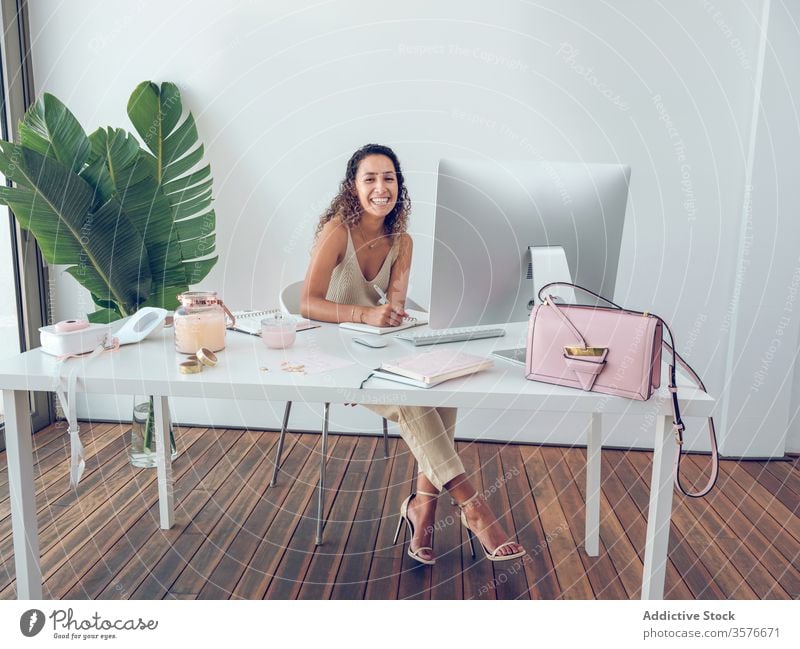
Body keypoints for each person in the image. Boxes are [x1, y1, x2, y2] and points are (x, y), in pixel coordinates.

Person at [300, 143, 525, 565]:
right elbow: (308, 304)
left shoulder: (402, 242)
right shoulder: (336, 232)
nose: (381, 187)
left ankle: (423, 511)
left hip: (375, 354)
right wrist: (366, 314)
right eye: (370, 179)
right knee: (417, 402)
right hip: (332, 356)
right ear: (353, 187)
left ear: (398, 187)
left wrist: (398, 318)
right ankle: (474, 509)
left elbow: (396, 311)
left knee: (435, 386)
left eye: (389, 179)